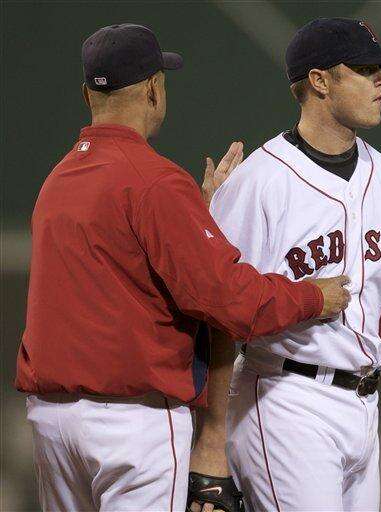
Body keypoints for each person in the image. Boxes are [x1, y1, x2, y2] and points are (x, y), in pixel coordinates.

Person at [15, 23, 350, 512]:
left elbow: (128, 261)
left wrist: (198, 218)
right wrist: (315, 296)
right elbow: (230, 300)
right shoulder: (154, 181)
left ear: (88, 95)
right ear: (154, 88)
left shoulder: (58, 179)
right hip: (130, 426)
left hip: (53, 423)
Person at [207, 17, 381, 512]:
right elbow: (217, 317)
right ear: (320, 81)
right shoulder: (259, 181)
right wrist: (211, 439)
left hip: (363, 407)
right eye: (366, 69)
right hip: (284, 398)